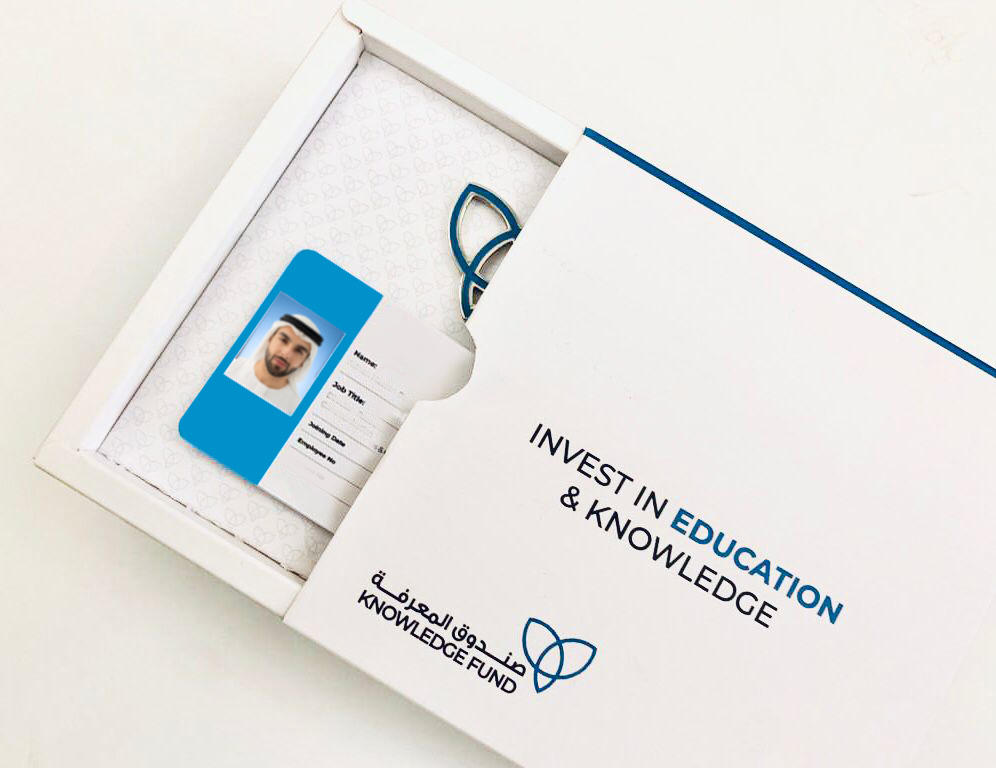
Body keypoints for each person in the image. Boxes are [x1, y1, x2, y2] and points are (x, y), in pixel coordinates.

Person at [225, 313, 324, 415]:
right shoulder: (228, 367)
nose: (286, 353)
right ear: (270, 339)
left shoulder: (295, 409)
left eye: (298, 351)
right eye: (283, 340)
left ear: (303, 363)